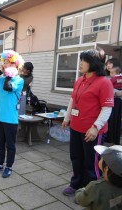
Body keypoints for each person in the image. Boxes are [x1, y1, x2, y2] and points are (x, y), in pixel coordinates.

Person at [62, 49, 114, 196]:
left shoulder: (104, 83)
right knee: (76, 157)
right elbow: (73, 100)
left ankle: (90, 191)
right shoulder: (80, 80)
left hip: (92, 131)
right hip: (76, 127)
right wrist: (67, 118)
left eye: (83, 60)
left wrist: (96, 127)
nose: (81, 63)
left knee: (91, 162)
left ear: (93, 63)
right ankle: (76, 183)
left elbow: (107, 108)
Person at [0, 50, 24, 178]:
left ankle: (9, 166)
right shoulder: (2, 78)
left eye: (9, 63)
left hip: (10, 118)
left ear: (16, 65)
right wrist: (0, 72)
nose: (6, 65)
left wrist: (9, 74)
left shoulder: (18, 80)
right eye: (5, 63)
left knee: (10, 144)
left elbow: (8, 87)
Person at [75, 145, 122, 210]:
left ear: (106, 169)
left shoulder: (96, 187)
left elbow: (82, 201)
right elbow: (113, 202)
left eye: (102, 158)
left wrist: (81, 190)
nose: (100, 159)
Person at [105, 66, 122, 145]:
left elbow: (108, 86)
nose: (110, 74)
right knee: (117, 120)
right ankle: (115, 139)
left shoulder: (112, 79)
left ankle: (111, 138)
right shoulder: (120, 77)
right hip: (119, 100)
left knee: (112, 119)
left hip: (114, 101)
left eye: (112, 73)